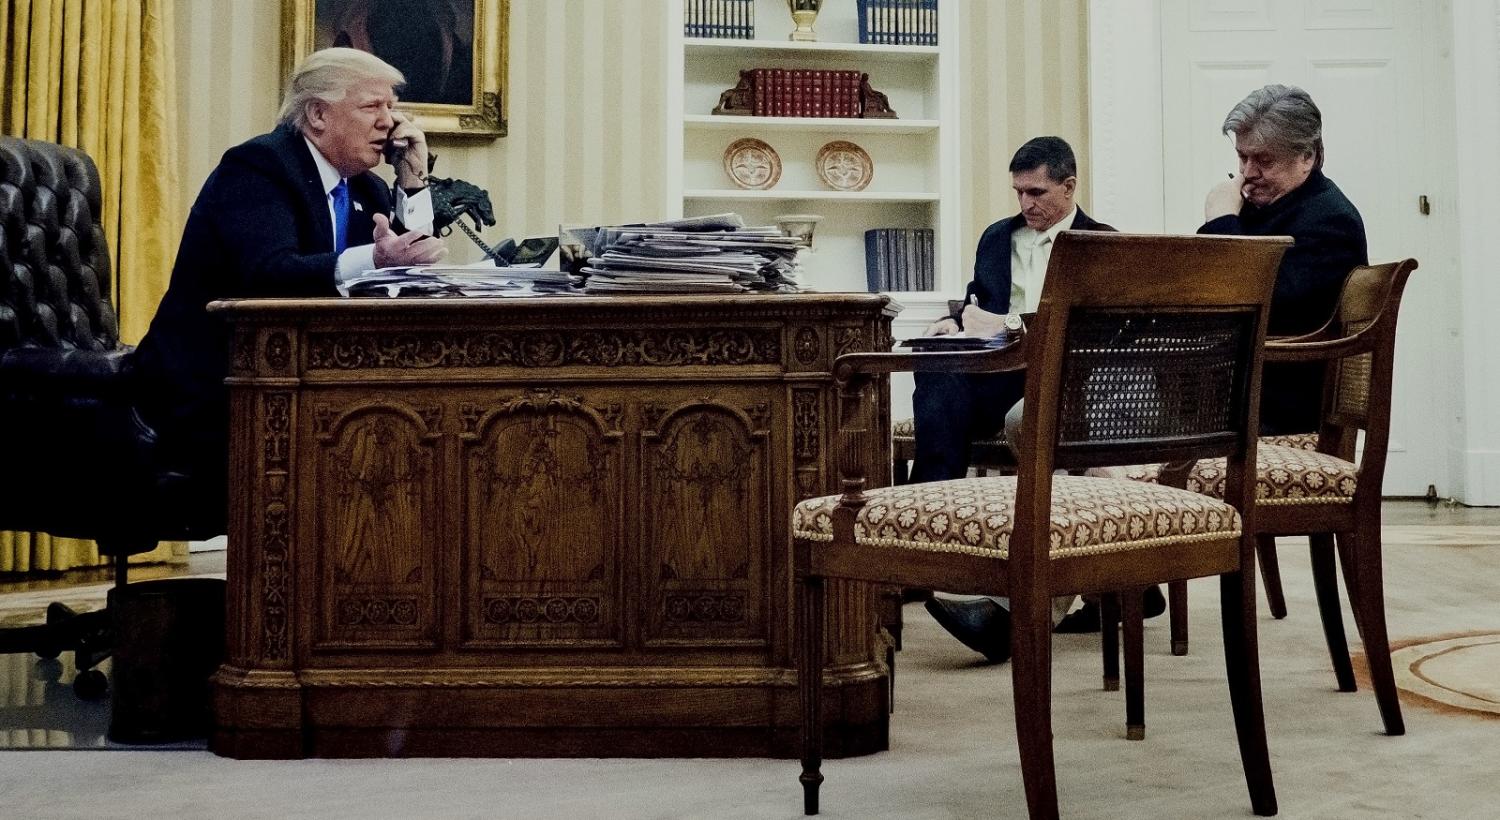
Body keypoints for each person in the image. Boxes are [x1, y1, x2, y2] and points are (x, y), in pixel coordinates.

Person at [133, 47, 446, 508]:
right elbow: (269, 273)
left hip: (309, 383)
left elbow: (408, 262)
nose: (390, 122)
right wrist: (375, 261)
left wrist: (413, 180)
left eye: (392, 107)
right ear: (318, 114)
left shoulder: (366, 185)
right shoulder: (260, 166)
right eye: (372, 106)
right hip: (214, 388)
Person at [911, 137, 1162, 662]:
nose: (1026, 203)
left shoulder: (1105, 244)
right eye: (1019, 192)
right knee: (937, 372)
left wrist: (1008, 325)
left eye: (1038, 191)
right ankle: (931, 545)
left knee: (1043, 414)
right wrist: (954, 323)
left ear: (1070, 187)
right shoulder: (997, 237)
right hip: (1002, 373)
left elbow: (1108, 332)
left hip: (1072, 378)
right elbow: (979, 299)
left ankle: (1037, 600)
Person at [1199, 83, 1368, 434]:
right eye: (1243, 157)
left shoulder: (1329, 220)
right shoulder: (1264, 207)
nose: (1248, 173)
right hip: (1235, 390)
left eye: (1264, 160)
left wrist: (1222, 222)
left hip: (1281, 411)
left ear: (1306, 157)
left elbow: (1246, 300)